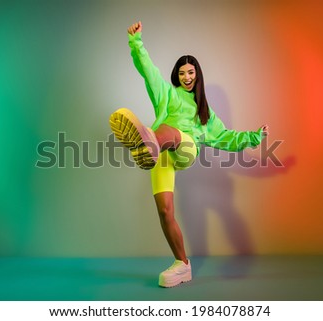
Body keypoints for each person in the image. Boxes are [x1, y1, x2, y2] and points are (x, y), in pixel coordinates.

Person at [109, 21, 269, 288]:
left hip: (184, 148)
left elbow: (226, 138)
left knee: (168, 130)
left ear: (197, 74)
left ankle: (148, 140)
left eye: (190, 72)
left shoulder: (204, 112)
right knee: (165, 210)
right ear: (177, 75)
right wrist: (136, 43)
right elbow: (149, 72)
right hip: (161, 156)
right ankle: (182, 264)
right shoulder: (167, 95)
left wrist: (253, 137)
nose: (186, 77)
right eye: (182, 73)